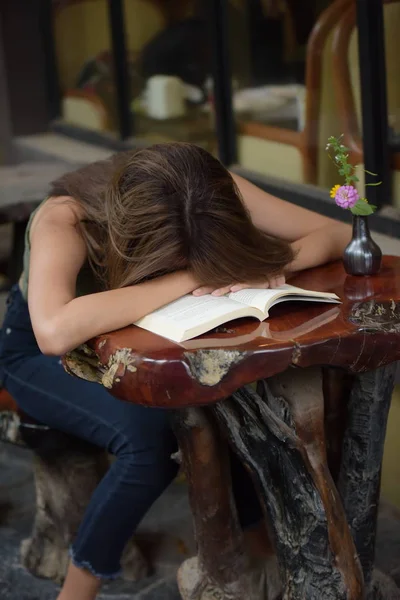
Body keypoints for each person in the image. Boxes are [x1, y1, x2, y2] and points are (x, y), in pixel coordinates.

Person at [0, 143, 350, 600]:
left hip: (139, 345)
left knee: (223, 405)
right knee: (150, 443)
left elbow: (336, 232)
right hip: (38, 358)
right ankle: (76, 592)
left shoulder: (202, 190)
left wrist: (267, 268)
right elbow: (53, 332)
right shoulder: (66, 216)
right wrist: (189, 278)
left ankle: (257, 554)